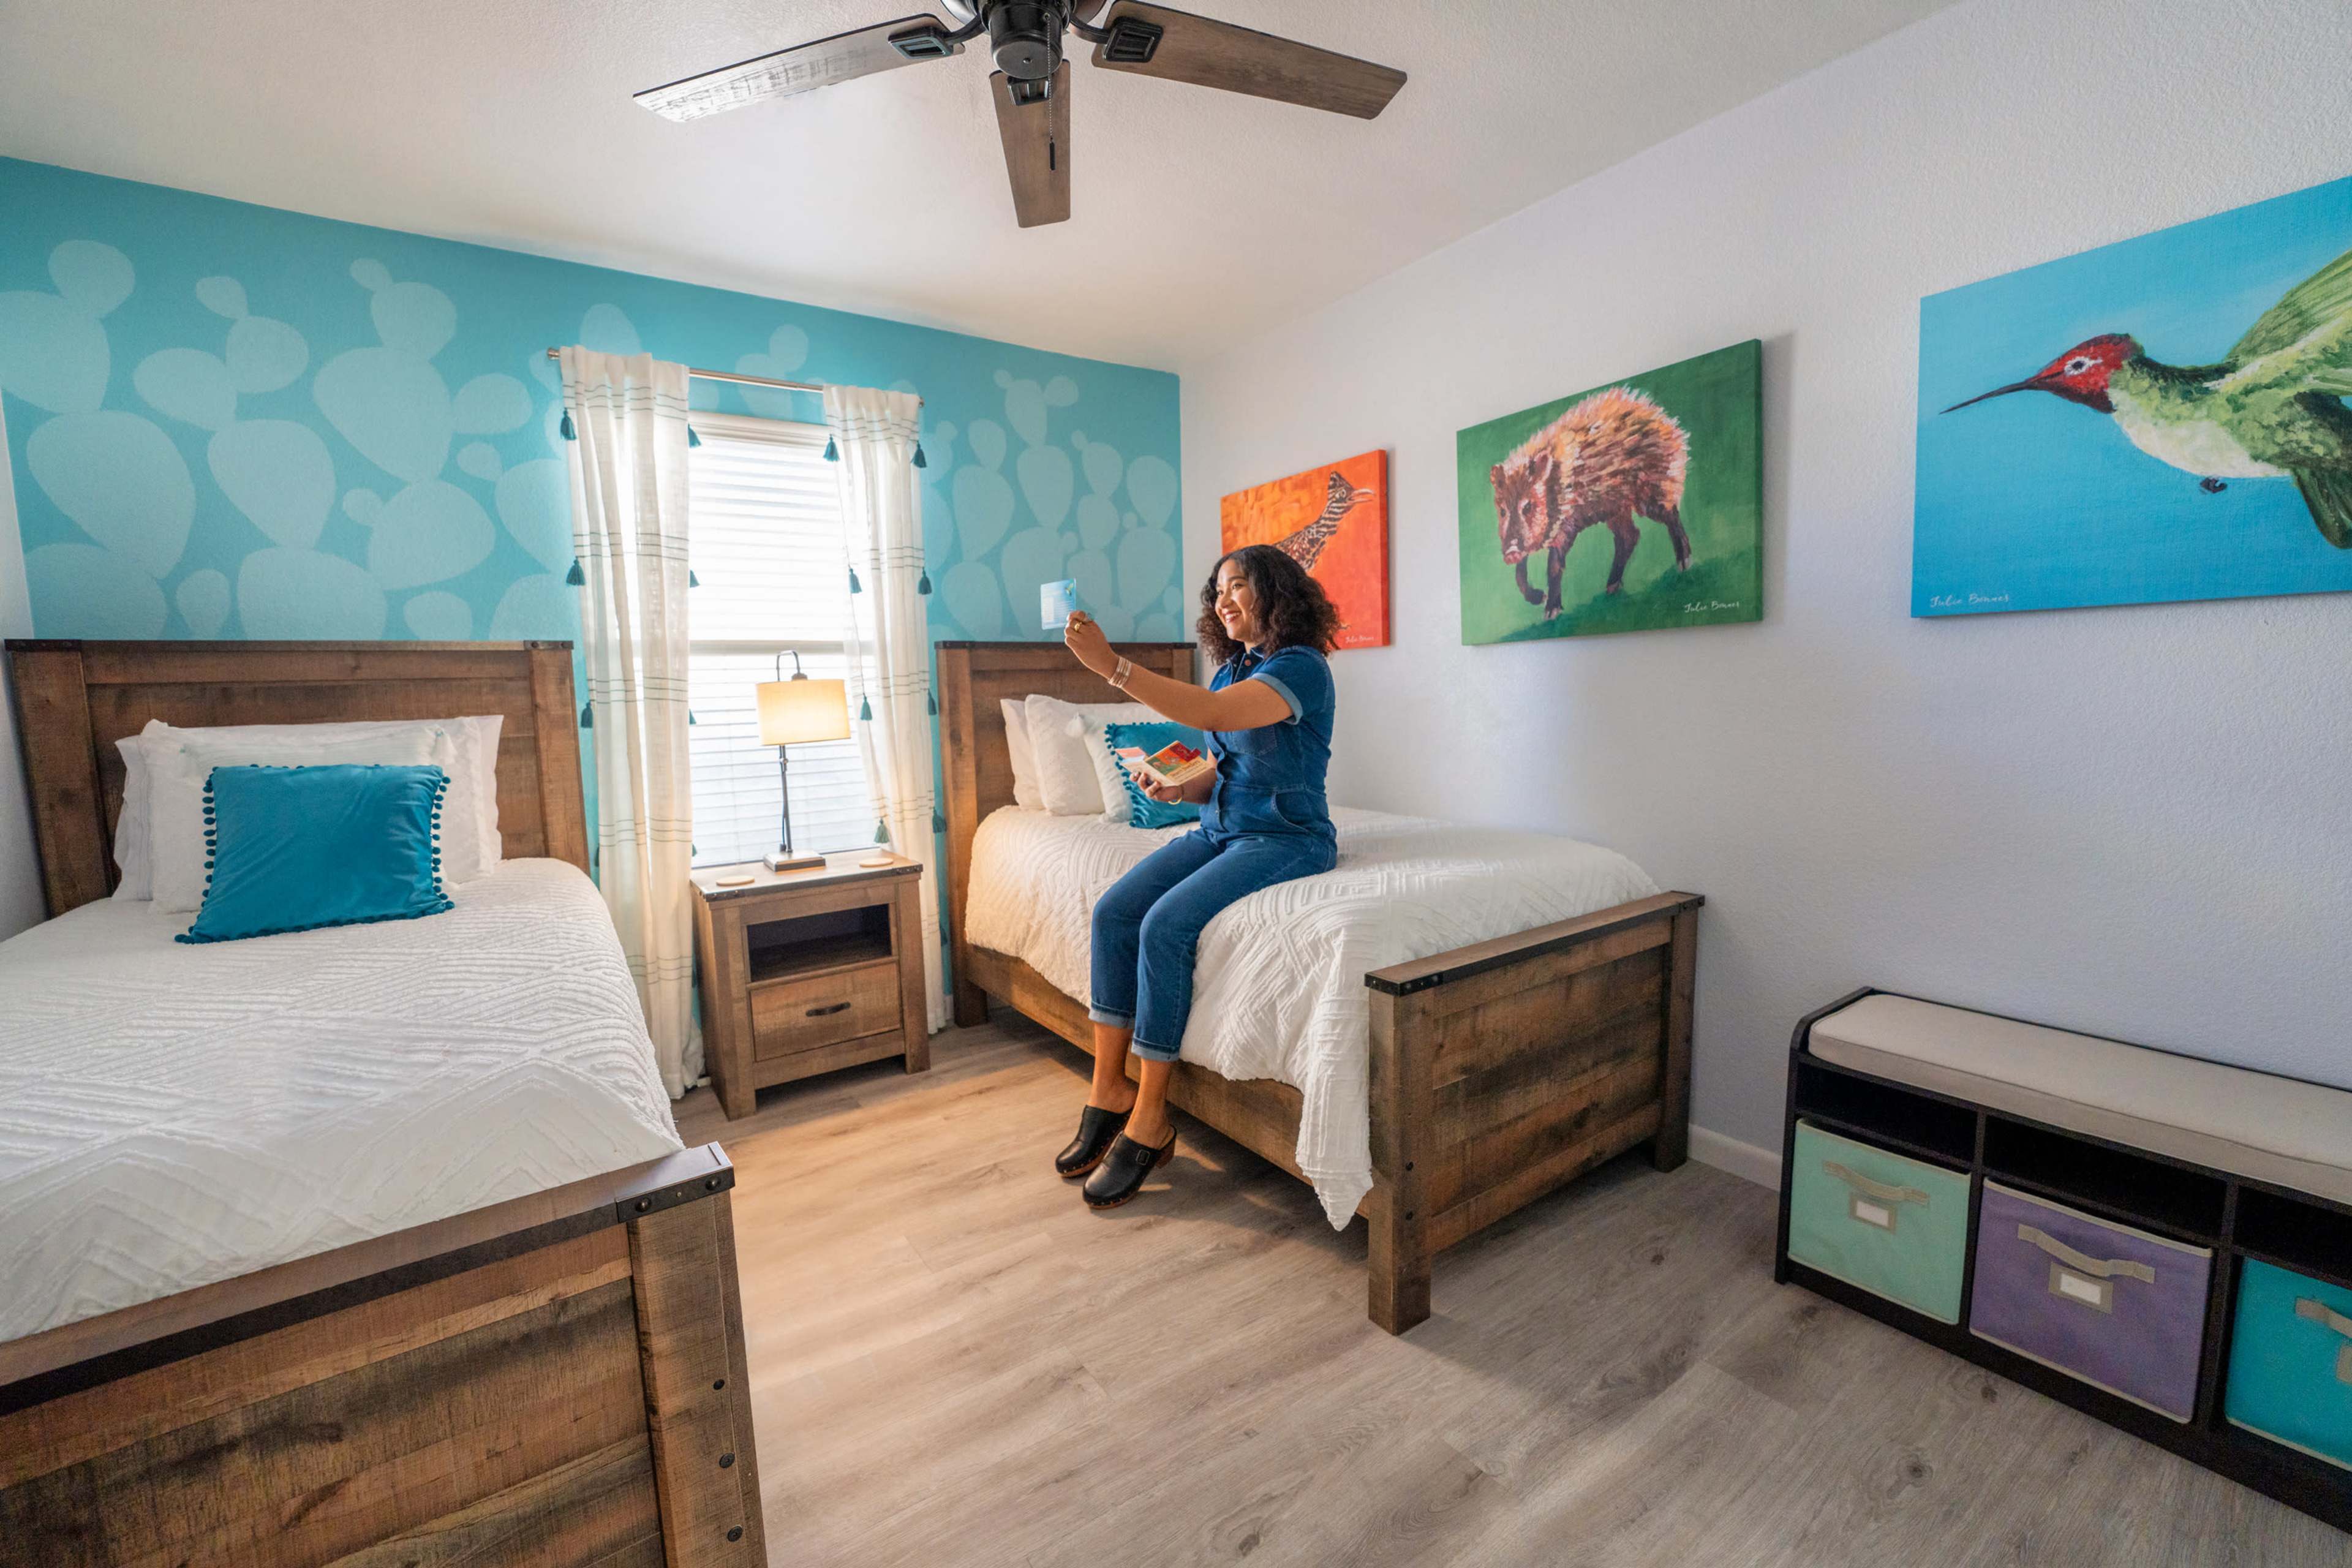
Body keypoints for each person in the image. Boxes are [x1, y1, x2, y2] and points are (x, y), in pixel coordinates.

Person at [1054, 543, 1341, 1209]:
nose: (1223, 599)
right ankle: (1109, 1088)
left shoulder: (1303, 669)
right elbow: (1228, 763)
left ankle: (1151, 1118)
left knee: (1167, 925)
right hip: (1221, 828)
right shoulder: (1234, 668)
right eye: (1217, 592)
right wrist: (1181, 788)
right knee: (1115, 913)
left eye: (1238, 585)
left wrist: (1113, 668)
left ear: (1277, 592)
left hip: (1287, 836)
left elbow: (1214, 718)